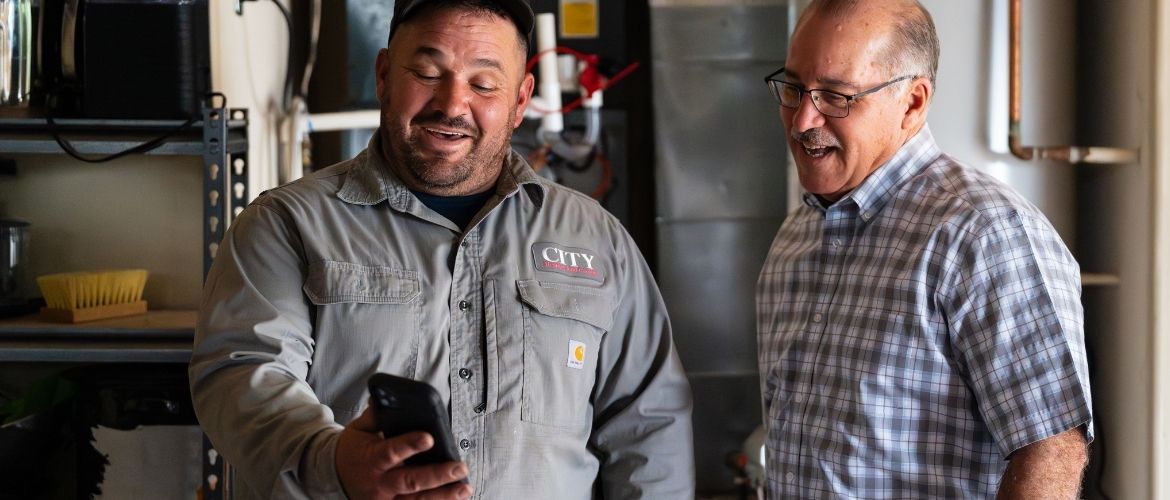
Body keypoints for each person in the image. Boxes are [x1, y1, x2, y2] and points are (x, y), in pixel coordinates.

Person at [188, 1, 695, 498]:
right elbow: (243, 375)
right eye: (428, 73)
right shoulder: (286, 224)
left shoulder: (597, 239)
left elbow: (648, 423)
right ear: (384, 75)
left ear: (520, 101)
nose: (452, 105)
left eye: (483, 84)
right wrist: (331, 461)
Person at [755, 0, 1093, 497]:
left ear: (912, 103)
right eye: (794, 87)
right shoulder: (795, 237)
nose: (803, 119)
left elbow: (1050, 450)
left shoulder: (983, 233)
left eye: (836, 96)